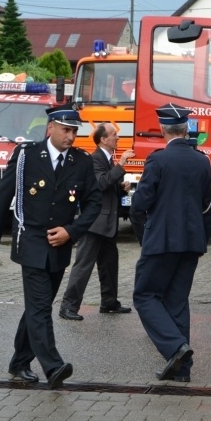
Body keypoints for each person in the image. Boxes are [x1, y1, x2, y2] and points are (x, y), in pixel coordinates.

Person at [0, 104, 101, 389]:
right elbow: (5, 194)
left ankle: (19, 362)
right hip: (31, 241)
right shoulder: (27, 156)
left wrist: (71, 232)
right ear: (50, 128)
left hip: (59, 245)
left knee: (39, 306)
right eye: (66, 130)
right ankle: (53, 366)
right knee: (40, 308)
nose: (71, 137)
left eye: (74, 131)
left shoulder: (81, 162)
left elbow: (94, 203)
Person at [131, 102, 211, 383]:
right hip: (192, 242)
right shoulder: (202, 160)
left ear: (162, 130)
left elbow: (140, 203)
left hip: (161, 241)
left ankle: (175, 347)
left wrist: (145, 235)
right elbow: (210, 204)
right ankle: (181, 370)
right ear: (185, 128)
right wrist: (201, 238)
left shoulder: (158, 160)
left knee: (145, 296)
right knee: (177, 300)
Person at [59, 123, 135, 320]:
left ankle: (109, 302)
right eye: (114, 135)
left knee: (110, 264)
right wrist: (121, 165)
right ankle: (68, 306)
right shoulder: (94, 159)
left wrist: (121, 187)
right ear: (103, 139)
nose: (117, 138)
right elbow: (101, 183)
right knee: (83, 265)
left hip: (107, 224)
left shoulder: (108, 159)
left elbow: (107, 187)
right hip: (94, 223)